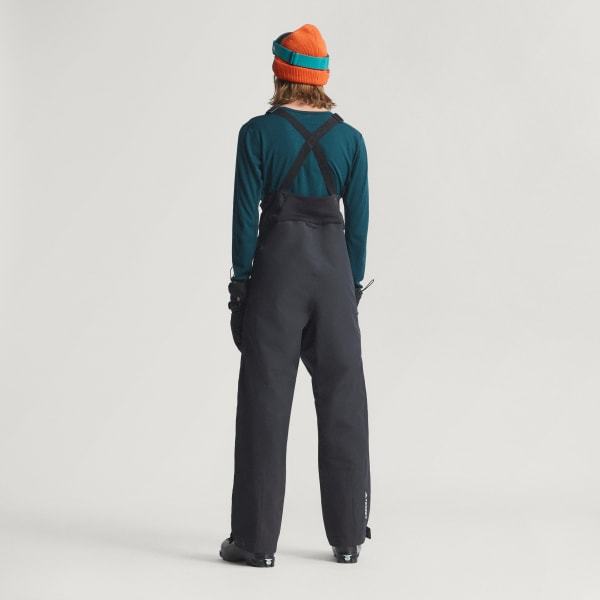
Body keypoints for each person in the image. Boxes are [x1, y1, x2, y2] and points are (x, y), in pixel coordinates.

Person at [220, 23, 373, 567]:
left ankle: (255, 542)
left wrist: (241, 288)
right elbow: (359, 228)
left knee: (264, 405)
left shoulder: (256, 134)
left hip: (276, 281)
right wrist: (349, 291)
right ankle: (349, 538)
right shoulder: (351, 140)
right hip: (334, 281)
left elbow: (244, 218)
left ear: (279, 73)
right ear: (322, 78)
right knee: (343, 403)